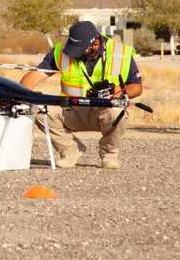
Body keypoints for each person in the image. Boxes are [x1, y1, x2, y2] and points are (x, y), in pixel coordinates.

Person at [20, 20, 143, 170]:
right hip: (72, 111)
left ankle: (109, 154)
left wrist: (120, 93)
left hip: (105, 110)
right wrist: (20, 95)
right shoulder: (61, 52)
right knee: (37, 109)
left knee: (119, 113)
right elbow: (33, 77)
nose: (73, 54)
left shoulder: (120, 53)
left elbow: (137, 87)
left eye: (79, 50)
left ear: (95, 44)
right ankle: (70, 150)